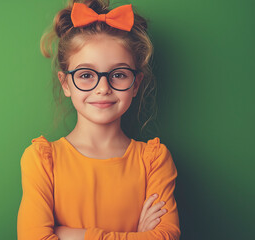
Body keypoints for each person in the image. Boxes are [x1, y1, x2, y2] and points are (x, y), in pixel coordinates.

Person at [17, 0, 180, 239]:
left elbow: (166, 236)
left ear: (135, 84)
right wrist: (136, 235)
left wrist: (66, 234)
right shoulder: (42, 161)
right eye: (85, 74)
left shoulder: (154, 161)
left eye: (119, 74)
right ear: (65, 84)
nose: (103, 88)